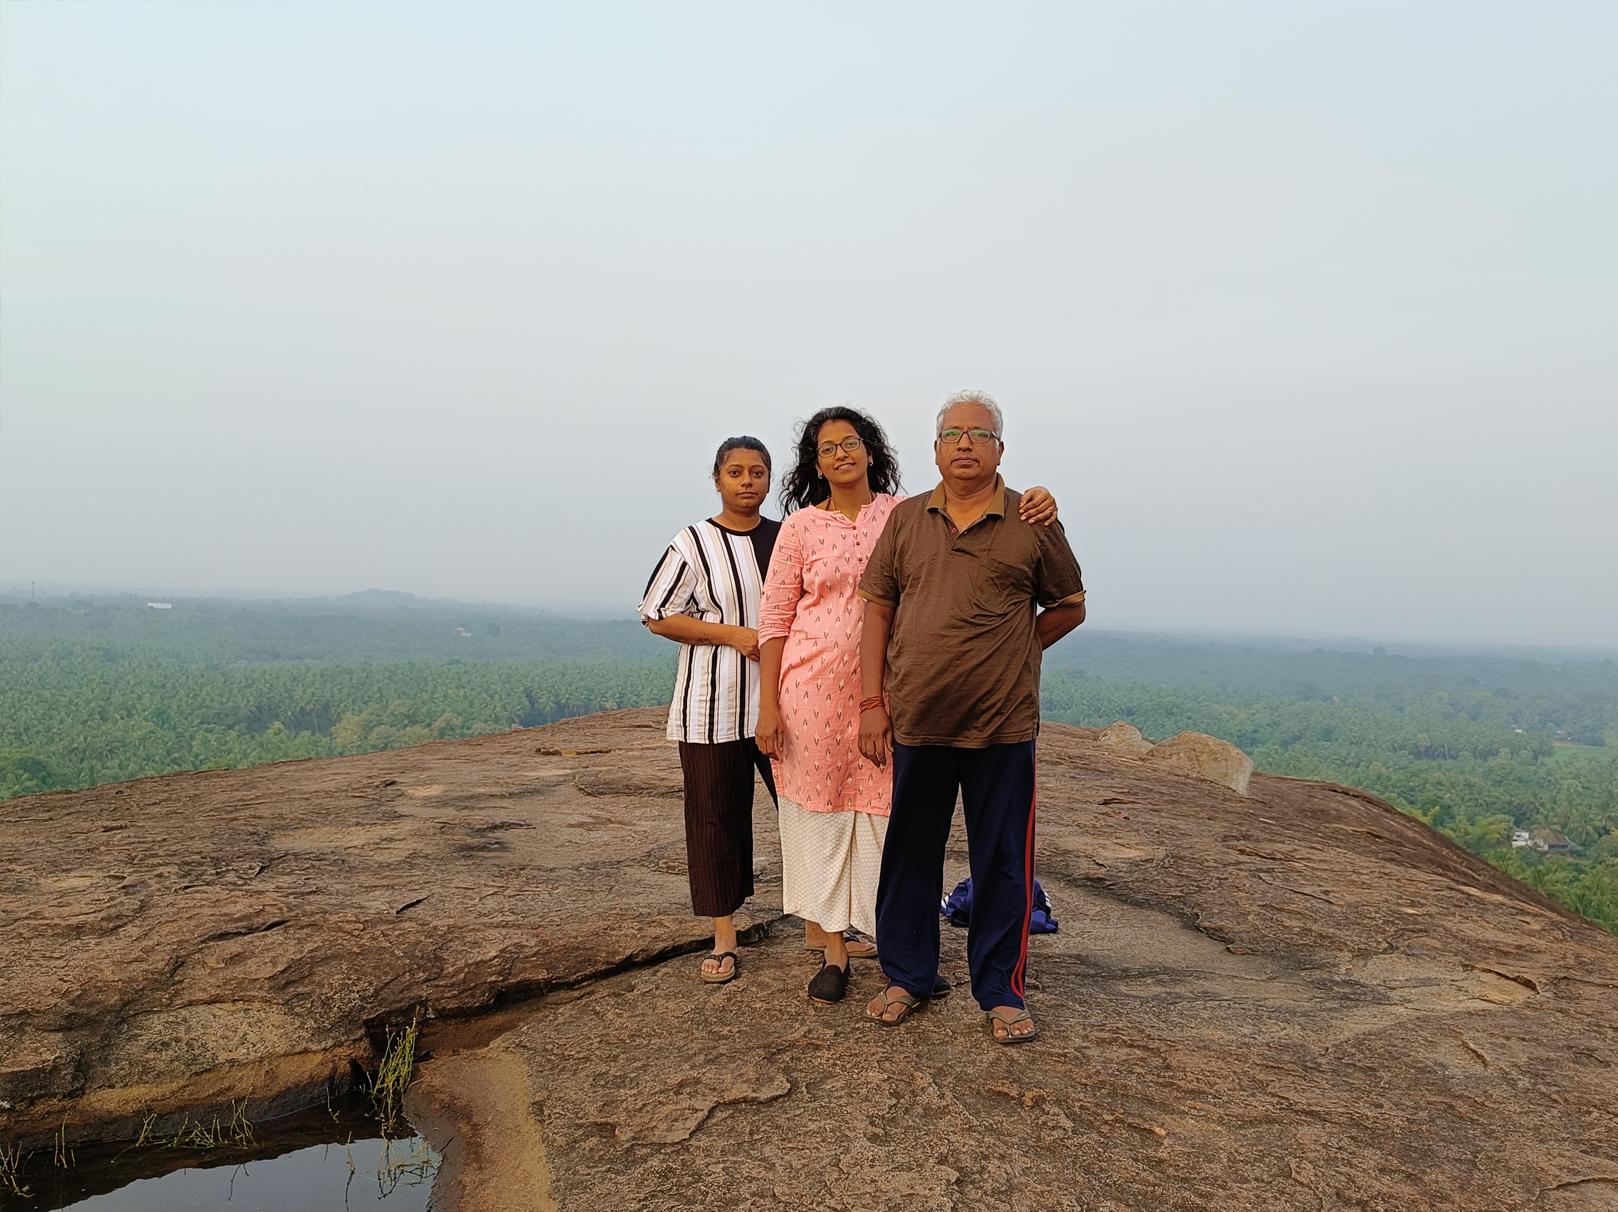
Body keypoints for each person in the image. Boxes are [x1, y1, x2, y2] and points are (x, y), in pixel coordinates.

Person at [754, 406, 1060, 1005]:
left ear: (872, 451)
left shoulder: (903, 512)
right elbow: (773, 619)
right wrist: (768, 706)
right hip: (814, 693)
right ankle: (835, 948)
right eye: (826, 449)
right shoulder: (799, 529)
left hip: (903, 698)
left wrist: (1002, 652)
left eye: (851, 443)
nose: (840, 455)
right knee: (820, 816)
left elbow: (1036, 593)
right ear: (813, 465)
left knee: (886, 825)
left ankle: (899, 951)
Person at [856, 390, 1086, 1042]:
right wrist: (872, 702)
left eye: (978, 434)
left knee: (1003, 860)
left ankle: (1001, 991)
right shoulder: (905, 521)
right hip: (920, 718)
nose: (964, 443)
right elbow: (877, 611)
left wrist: (1018, 652)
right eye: (952, 433)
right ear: (934, 449)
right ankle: (909, 975)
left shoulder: (1032, 519)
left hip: (1003, 725)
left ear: (999, 450)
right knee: (910, 855)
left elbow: (1069, 605)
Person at [639, 436, 779, 984]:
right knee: (714, 818)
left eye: (758, 472)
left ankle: (826, 927)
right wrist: (731, 635)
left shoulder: (786, 538)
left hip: (781, 704)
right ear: (717, 479)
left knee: (801, 814)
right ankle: (725, 934)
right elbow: (657, 615)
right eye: (736, 472)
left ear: (770, 480)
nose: (747, 482)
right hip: (711, 705)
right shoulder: (694, 541)